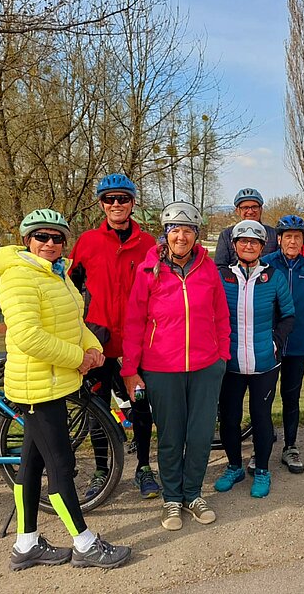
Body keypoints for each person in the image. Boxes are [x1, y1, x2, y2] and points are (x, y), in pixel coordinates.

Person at [0, 209, 130, 571]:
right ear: (27, 240)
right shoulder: (18, 276)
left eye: (57, 238)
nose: (50, 243)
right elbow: (28, 336)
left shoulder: (57, 273)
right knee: (61, 465)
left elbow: (73, 321)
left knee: (31, 464)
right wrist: (77, 358)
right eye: (42, 237)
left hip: (54, 382)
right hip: (37, 386)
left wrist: (92, 348)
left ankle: (26, 544)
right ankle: (85, 545)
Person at [121, 201, 231, 530]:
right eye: (175, 230)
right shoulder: (148, 270)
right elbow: (134, 322)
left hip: (205, 366)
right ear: (166, 233)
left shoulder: (208, 269)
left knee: (199, 435)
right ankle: (171, 498)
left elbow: (221, 315)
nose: (181, 236)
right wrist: (130, 370)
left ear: (196, 235)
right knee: (171, 436)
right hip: (161, 368)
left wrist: (221, 357)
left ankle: (192, 494)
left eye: (188, 231)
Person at [69, 174, 158, 499]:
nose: (116, 204)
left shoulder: (149, 244)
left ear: (132, 203)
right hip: (98, 342)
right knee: (97, 409)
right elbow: (69, 288)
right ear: (101, 204)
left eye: (122, 198)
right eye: (110, 199)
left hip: (136, 343)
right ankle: (102, 470)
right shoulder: (88, 241)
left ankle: (144, 468)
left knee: (141, 407)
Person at [215, 220, 295, 498]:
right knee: (229, 418)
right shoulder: (222, 276)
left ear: (262, 247)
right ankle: (234, 466)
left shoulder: (274, 276)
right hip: (231, 363)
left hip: (264, 363)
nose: (248, 245)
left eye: (254, 242)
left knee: (261, 418)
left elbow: (288, 315)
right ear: (234, 245)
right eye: (243, 241)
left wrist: (275, 342)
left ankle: (262, 469)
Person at [263, 215, 304, 474]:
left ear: (303, 241)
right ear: (279, 239)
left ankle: (290, 447)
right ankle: (260, 448)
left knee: (291, 398)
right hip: (268, 344)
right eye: (287, 236)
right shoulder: (266, 264)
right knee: (263, 399)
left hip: (298, 346)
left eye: (297, 237)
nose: (292, 241)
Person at [214, 188, 278, 267]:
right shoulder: (226, 235)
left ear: (261, 209)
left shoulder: (274, 234)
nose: (250, 211)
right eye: (245, 208)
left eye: (254, 207)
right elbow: (220, 266)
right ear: (237, 211)